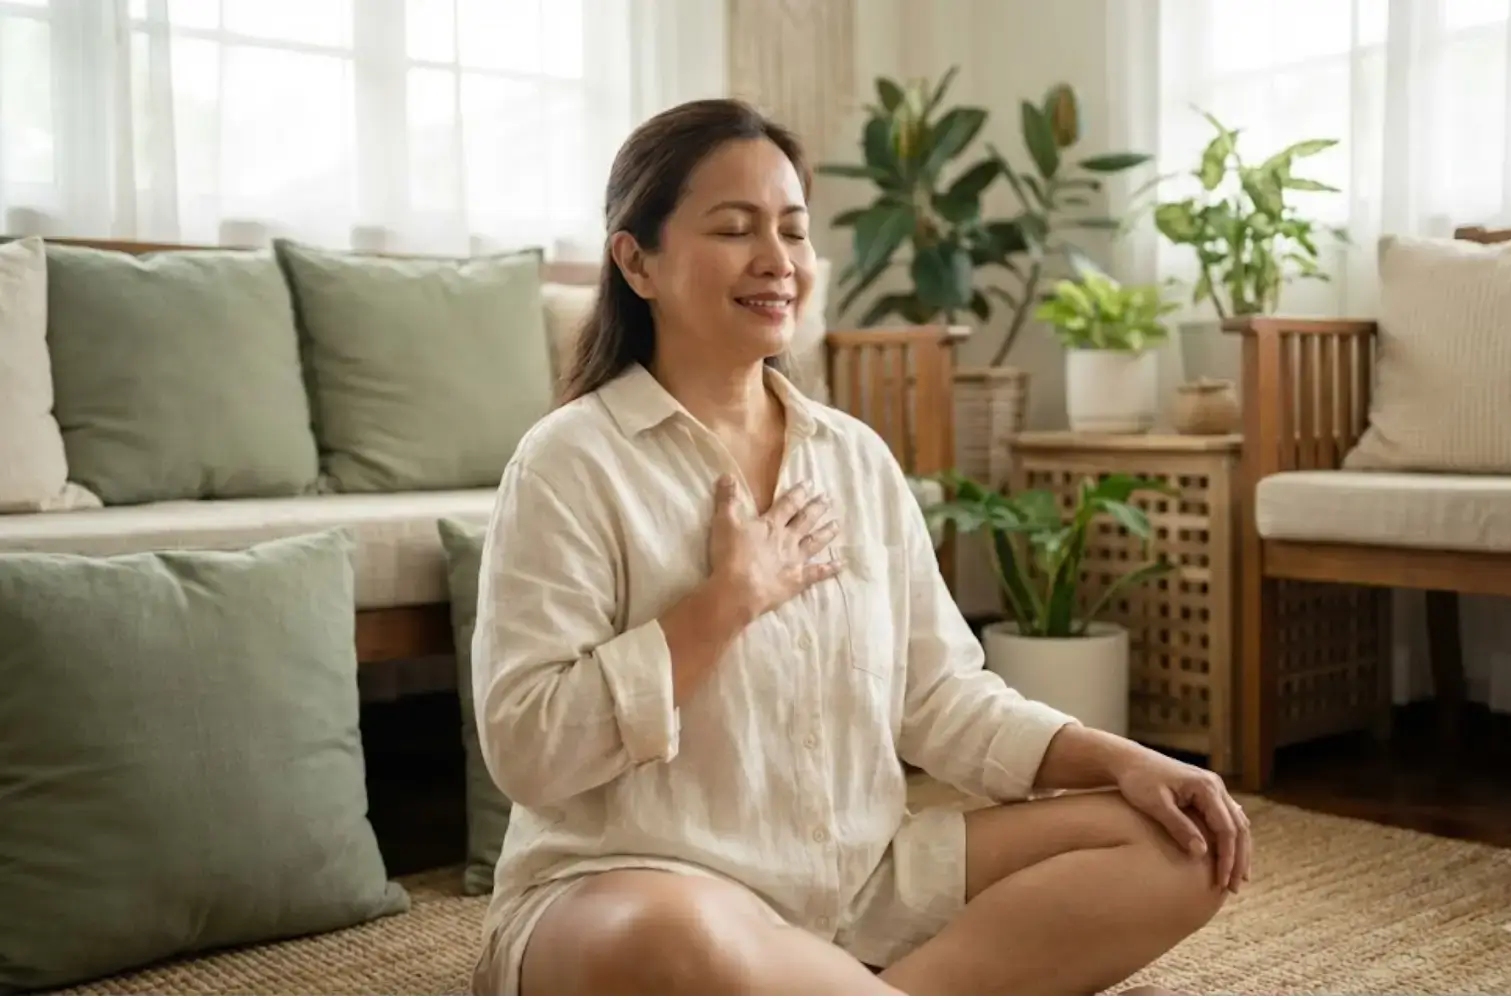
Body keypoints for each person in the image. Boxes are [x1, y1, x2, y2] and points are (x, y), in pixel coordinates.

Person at [468, 98, 1251, 997]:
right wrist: (724, 605)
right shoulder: (569, 461)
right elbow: (526, 748)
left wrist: (1122, 758)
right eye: (735, 229)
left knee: (1181, 843)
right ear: (636, 261)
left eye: (794, 232)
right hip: (639, 888)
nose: (778, 261)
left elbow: (940, 697)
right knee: (680, 940)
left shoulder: (853, 458)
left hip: (859, 886)